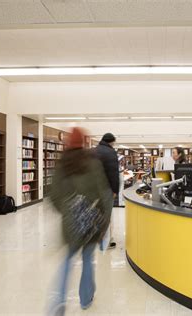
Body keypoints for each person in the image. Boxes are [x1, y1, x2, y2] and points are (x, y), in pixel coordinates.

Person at [49, 127, 112, 315]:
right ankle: (85, 300)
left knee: (67, 261)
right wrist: (104, 220)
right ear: (84, 142)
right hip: (91, 222)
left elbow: (53, 195)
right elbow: (104, 194)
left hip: (70, 224)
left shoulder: (61, 165)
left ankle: (59, 302)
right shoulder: (93, 162)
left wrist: (67, 211)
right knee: (87, 259)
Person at [95, 133, 119, 249]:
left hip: (94, 188)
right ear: (112, 142)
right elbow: (113, 173)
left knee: (97, 213)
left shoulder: (93, 151)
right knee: (106, 215)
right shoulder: (111, 152)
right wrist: (115, 190)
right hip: (106, 188)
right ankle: (104, 241)